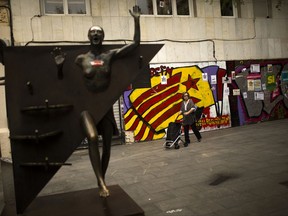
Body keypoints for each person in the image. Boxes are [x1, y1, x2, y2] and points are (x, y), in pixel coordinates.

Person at [75, 6, 141, 197]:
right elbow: (64, 80)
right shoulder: (80, 59)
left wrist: (136, 20)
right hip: (87, 107)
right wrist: (60, 67)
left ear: (102, 37)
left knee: (108, 147)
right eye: (93, 32)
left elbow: (135, 44)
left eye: (99, 32)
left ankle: (100, 179)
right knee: (93, 138)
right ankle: (102, 183)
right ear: (89, 36)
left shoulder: (109, 56)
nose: (96, 34)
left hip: (105, 106)